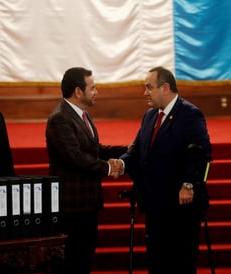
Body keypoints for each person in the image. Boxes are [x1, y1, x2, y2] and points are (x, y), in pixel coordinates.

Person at [119, 66, 212, 274]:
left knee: (180, 263)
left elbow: (200, 153)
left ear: (165, 88)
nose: (145, 93)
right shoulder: (150, 116)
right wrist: (122, 164)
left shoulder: (190, 114)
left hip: (181, 207)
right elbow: (136, 149)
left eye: (149, 87)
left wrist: (188, 184)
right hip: (154, 205)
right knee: (157, 262)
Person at [45, 67, 128, 274]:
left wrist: (130, 150)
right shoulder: (60, 118)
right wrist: (109, 168)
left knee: (84, 259)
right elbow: (76, 158)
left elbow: (96, 149)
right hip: (72, 206)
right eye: (92, 88)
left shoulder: (84, 115)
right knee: (72, 262)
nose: (96, 91)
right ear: (78, 92)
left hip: (88, 203)